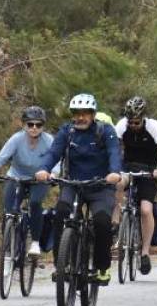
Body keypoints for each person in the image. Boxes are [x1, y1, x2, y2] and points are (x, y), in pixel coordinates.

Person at [34, 93, 122, 285]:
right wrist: (43, 169)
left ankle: (101, 268)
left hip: (101, 186)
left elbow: (114, 152)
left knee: (101, 221)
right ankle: (61, 264)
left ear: (93, 114)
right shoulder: (67, 131)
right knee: (61, 213)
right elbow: (53, 153)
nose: (80, 117)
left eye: (85, 113)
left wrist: (114, 172)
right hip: (73, 184)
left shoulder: (105, 131)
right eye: (77, 113)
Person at [0, 106, 54, 256]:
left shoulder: (49, 141)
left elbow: (56, 159)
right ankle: (9, 244)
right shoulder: (16, 139)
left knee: (35, 203)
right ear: (24, 125)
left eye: (38, 125)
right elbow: (1, 158)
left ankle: (34, 243)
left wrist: (52, 173)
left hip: (39, 179)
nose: (34, 128)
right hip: (16, 176)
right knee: (9, 210)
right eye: (30, 124)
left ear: (43, 126)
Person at [114, 96, 157, 275]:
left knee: (146, 210)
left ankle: (145, 252)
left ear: (143, 118)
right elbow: (114, 150)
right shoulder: (121, 125)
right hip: (128, 166)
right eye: (130, 121)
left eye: (137, 122)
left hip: (149, 170)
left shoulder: (153, 126)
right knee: (117, 183)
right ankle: (115, 220)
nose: (133, 125)